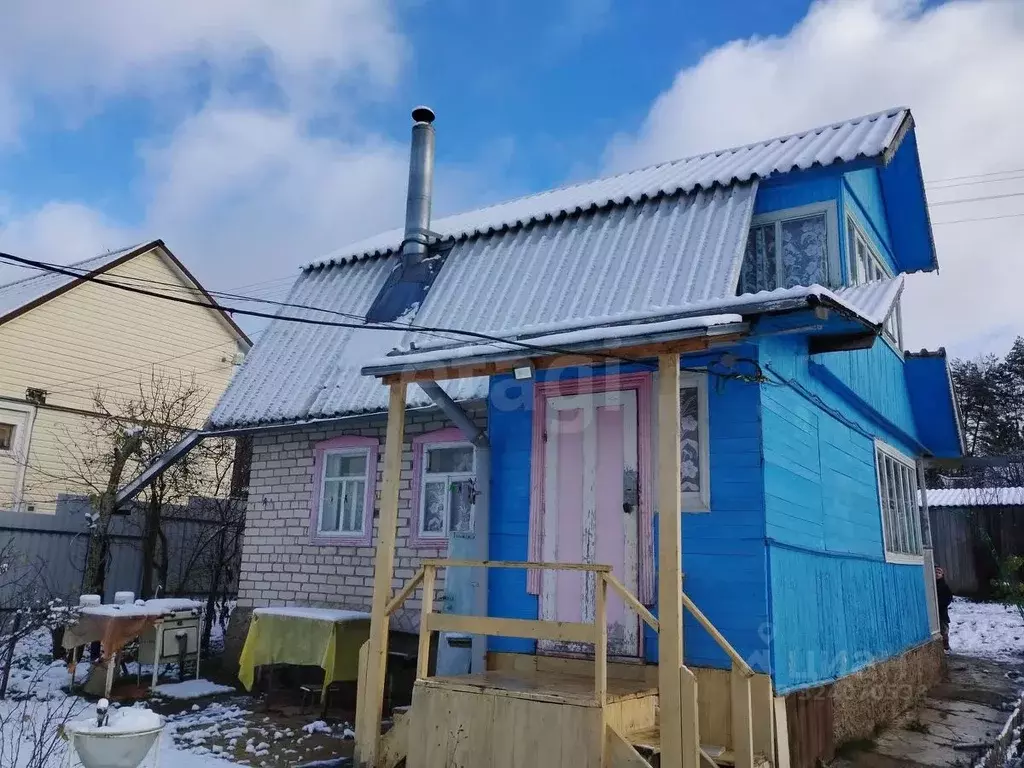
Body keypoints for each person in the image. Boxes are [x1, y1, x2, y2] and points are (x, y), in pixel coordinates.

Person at [936, 566, 953, 651]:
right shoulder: (931, 584)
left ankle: (946, 646)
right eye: (936, 572)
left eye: (939, 573)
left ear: (942, 575)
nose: (937, 574)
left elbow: (949, 598)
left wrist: (941, 603)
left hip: (942, 611)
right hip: (934, 611)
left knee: (944, 628)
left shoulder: (944, 586)